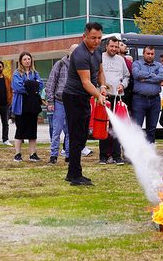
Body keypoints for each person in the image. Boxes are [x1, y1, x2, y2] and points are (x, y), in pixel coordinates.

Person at [62, 22, 107, 186]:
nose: (97, 41)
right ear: (84, 36)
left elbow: (100, 72)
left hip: (84, 98)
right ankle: (74, 175)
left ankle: (73, 172)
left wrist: (102, 86)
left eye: (99, 38)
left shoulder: (98, 51)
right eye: (93, 38)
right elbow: (86, 82)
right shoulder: (80, 54)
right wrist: (98, 95)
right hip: (73, 97)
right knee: (76, 137)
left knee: (81, 136)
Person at [98, 36, 129, 165]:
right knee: (104, 126)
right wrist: (101, 87)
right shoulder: (99, 58)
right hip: (104, 97)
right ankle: (103, 156)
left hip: (117, 98)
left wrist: (123, 85)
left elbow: (127, 76)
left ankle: (117, 156)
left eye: (116, 47)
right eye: (112, 46)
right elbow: (96, 74)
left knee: (117, 127)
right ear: (106, 46)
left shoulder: (121, 60)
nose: (114, 49)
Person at [11, 52, 44, 162]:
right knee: (20, 129)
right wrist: (32, 86)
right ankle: (17, 154)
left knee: (32, 130)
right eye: (24, 59)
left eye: (28, 59)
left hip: (32, 105)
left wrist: (29, 85)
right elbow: (18, 87)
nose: (27, 61)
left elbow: (40, 85)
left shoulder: (35, 73)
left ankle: (33, 154)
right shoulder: (17, 73)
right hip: (21, 104)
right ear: (20, 61)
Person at [46, 45, 76, 164]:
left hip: (72, 102)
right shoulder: (60, 64)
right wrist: (50, 101)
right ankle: (53, 156)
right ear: (69, 52)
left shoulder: (79, 66)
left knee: (70, 130)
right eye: (73, 51)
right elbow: (51, 82)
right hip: (59, 101)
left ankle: (68, 155)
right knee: (56, 130)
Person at [132, 46, 163, 144]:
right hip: (139, 100)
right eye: (148, 53)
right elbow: (136, 74)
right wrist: (153, 76)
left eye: (152, 54)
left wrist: (145, 78)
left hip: (155, 100)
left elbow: (162, 76)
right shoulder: (136, 63)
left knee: (152, 128)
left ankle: (149, 152)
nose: (150, 56)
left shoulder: (159, 65)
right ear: (143, 54)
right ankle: (136, 152)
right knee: (137, 127)